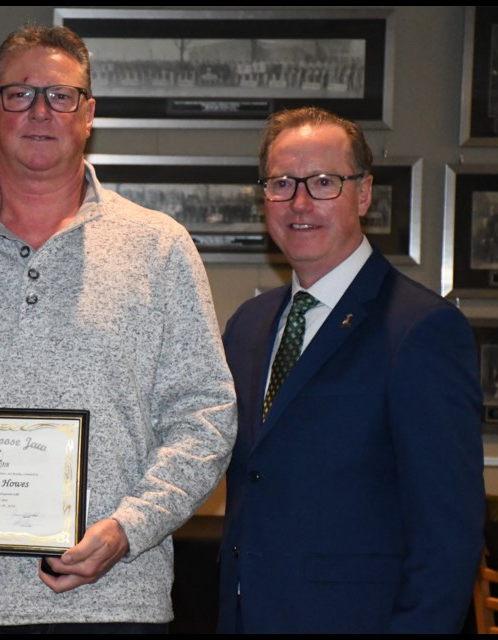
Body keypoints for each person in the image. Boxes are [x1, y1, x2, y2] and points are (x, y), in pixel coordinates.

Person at [0, 24, 237, 632]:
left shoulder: (158, 245)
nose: (40, 110)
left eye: (61, 95)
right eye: (19, 93)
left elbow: (205, 412)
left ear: (88, 113)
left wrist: (130, 528)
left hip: (116, 603)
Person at [218, 106, 484, 633]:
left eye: (323, 182)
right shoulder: (248, 326)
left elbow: (447, 537)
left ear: (363, 194)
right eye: (281, 183)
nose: (300, 203)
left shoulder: (422, 330)